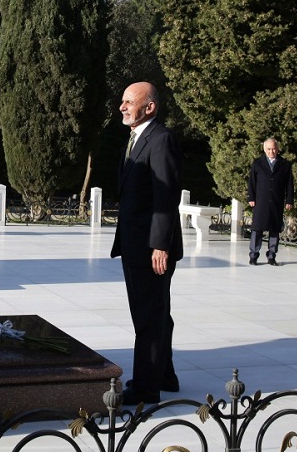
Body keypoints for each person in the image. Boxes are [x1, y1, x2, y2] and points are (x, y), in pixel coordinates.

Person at [110, 81, 182, 406]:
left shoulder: (160, 139)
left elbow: (166, 196)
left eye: (129, 101)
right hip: (137, 243)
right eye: (123, 101)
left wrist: (160, 245)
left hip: (151, 248)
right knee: (158, 313)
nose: (122, 107)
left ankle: (145, 388)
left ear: (149, 107)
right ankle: (164, 374)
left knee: (148, 317)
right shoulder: (137, 138)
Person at [247, 138, 294, 266]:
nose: (271, 151)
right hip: (260, 200)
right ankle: (253, 255)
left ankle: (272, 255)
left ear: (277, 149)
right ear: (264, 149)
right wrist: (251, 197)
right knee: (257, 228)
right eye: (268, 149)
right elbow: (252, 182)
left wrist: (289, 199)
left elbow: (289, 184)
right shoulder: (257, 163)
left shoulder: (285, 165)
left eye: (273, 149)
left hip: (276, 200)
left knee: (274, 229)